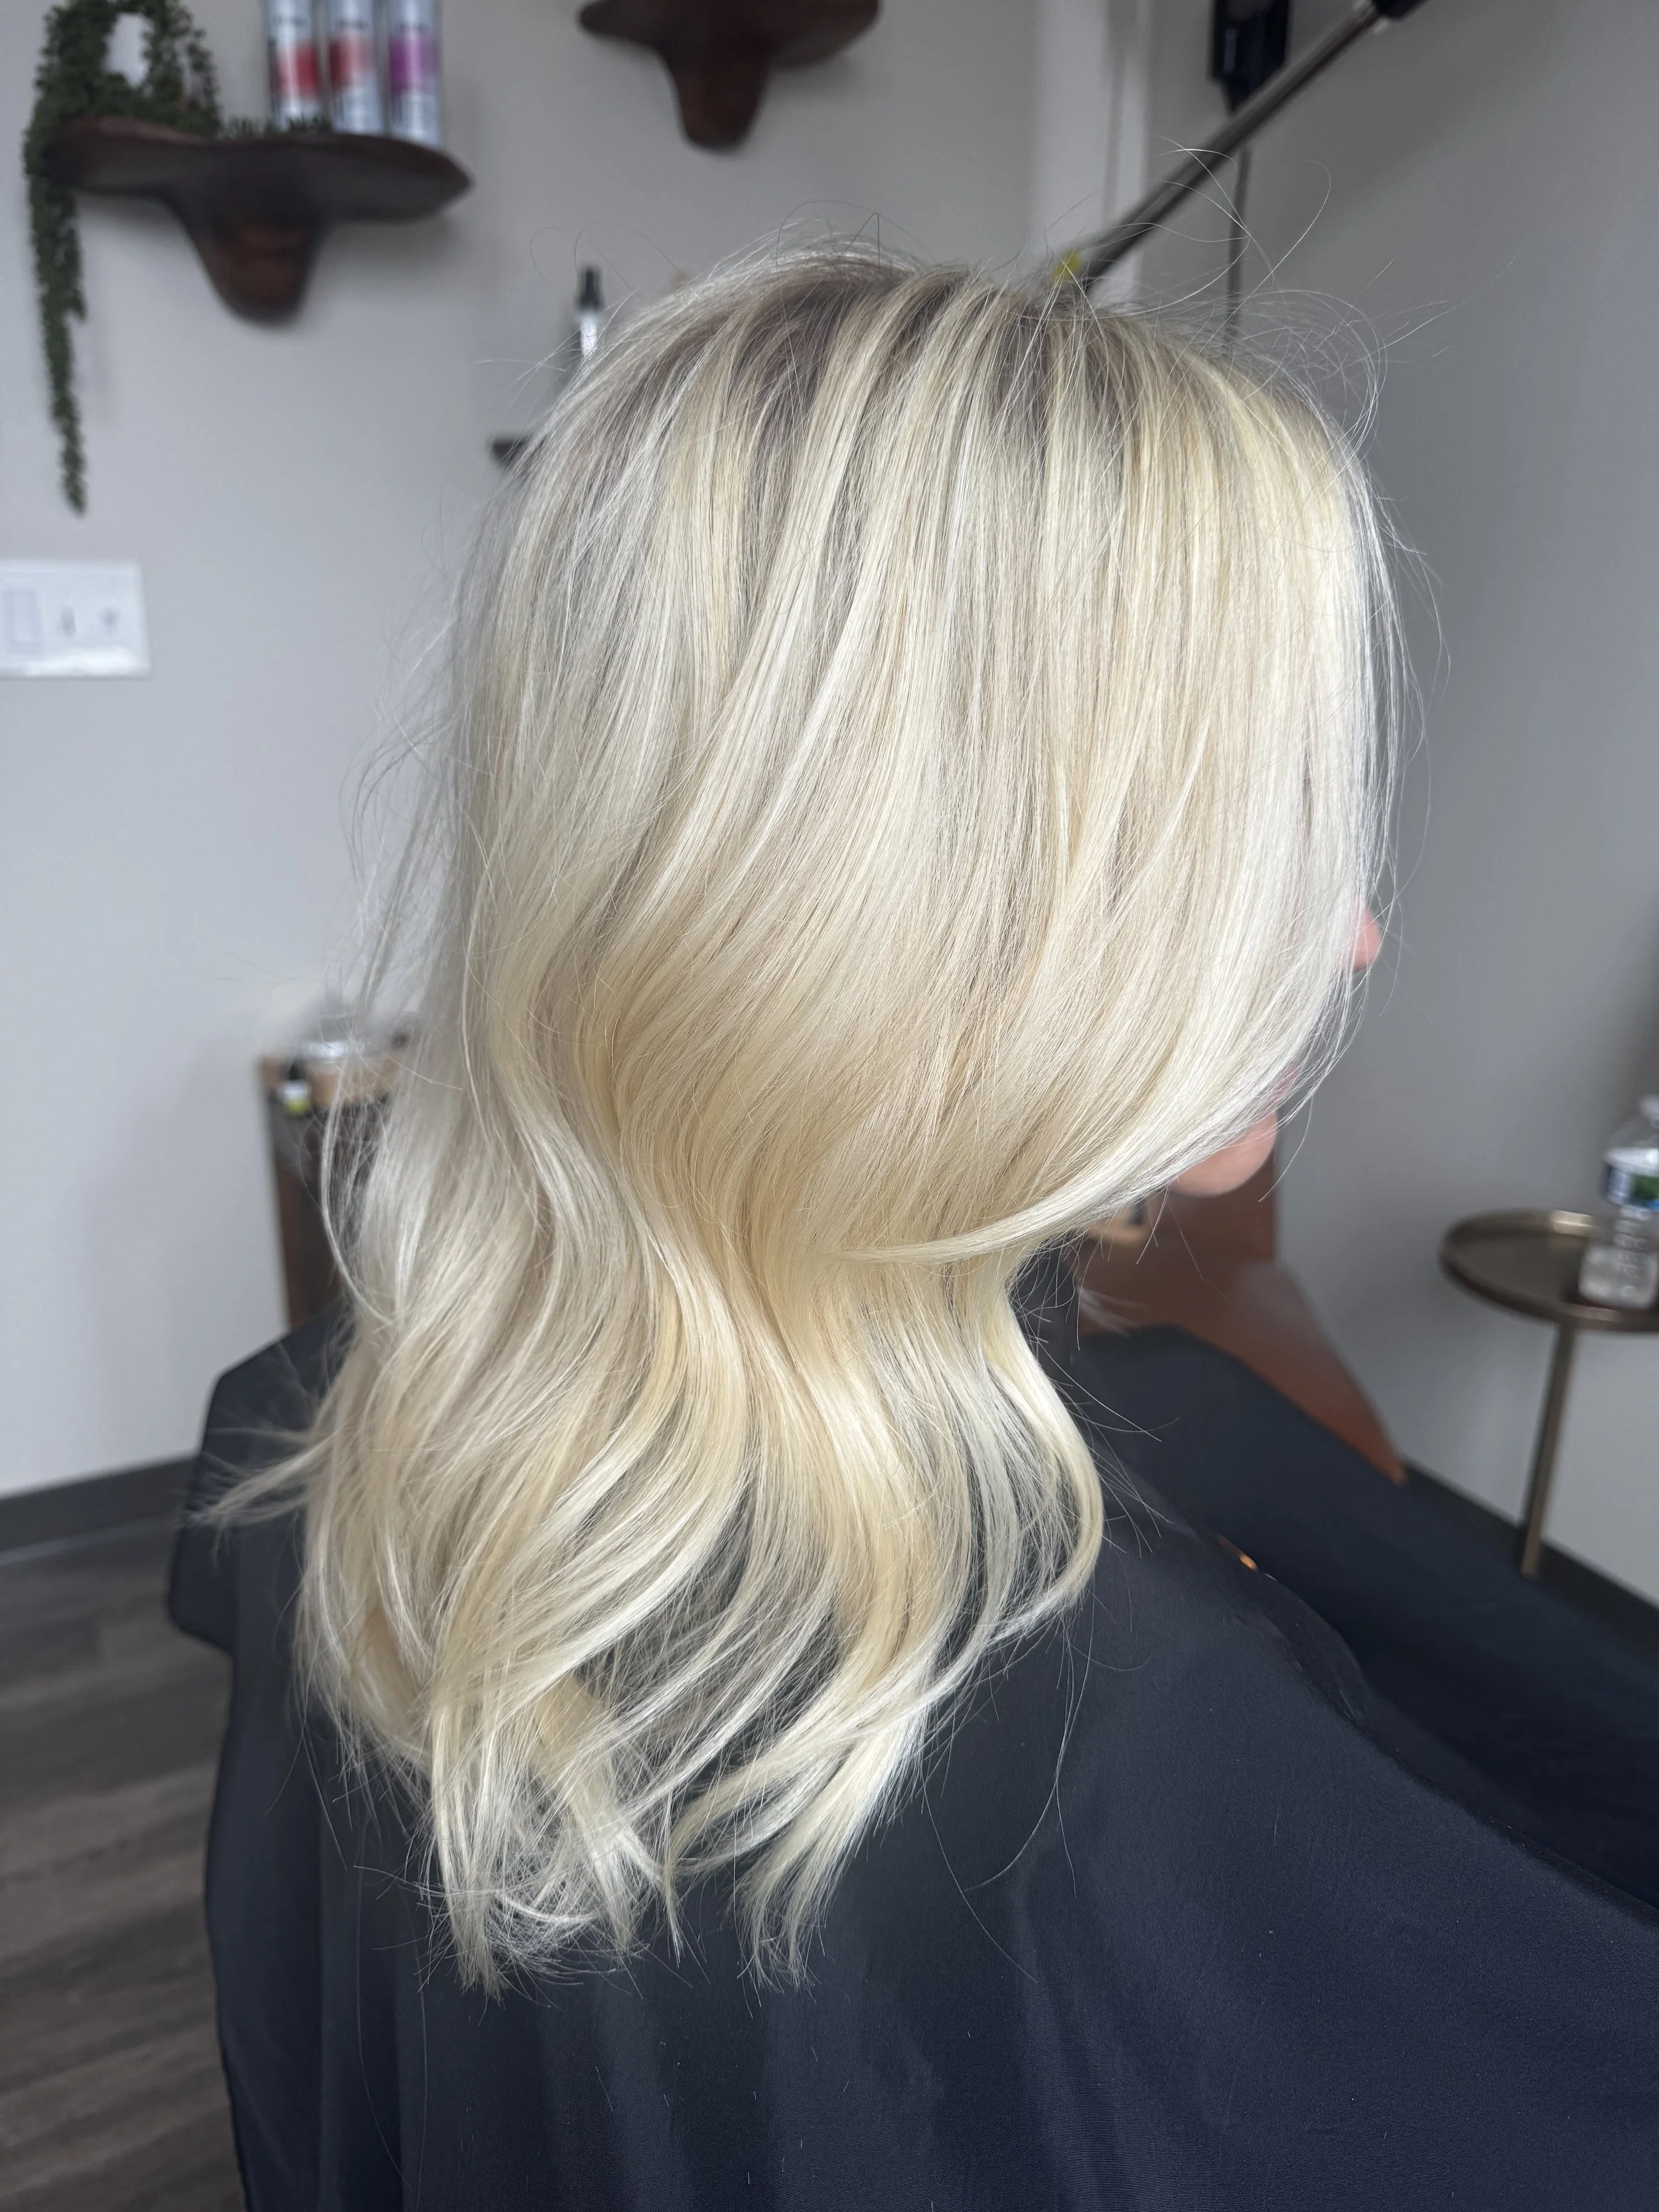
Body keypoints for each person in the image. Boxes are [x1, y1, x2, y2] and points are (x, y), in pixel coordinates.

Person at [171, 251, 1659, 2210]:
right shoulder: (1135, 1769)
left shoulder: (329, 1430)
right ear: (959, 921)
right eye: (1267, 830)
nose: (1353, 931)